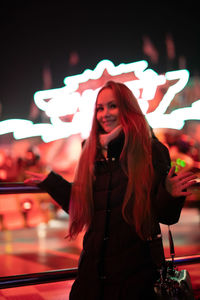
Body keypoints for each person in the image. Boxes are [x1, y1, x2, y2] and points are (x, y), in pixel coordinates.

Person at [25, 81, 197, 300]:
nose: (105, 114)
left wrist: (169, 193)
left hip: (135, 280)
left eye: (112, 106)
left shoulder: (150, 149)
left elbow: (166, 216)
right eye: (100, 108)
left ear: (127, 107)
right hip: (92, 279)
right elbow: (83, 207)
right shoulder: (92, 152)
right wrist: (51, 182)